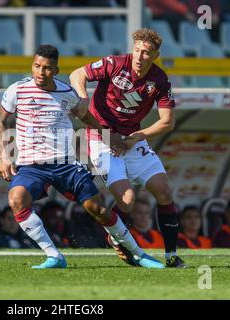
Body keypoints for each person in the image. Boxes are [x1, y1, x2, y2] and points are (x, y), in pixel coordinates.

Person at [0, 44, 164, 269]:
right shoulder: (17, 90)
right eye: (36, 66)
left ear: (55, 70)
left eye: (46, 68)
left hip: (65, 164)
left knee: (99, 210)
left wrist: (110, 137)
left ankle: (138, 253)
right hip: (31, 165)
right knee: (16, 199)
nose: (40, 72)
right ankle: (53, 256)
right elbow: (2, 121)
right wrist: (4, 157)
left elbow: (87, 118)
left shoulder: (67, 94)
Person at [70, 28, 187, 268]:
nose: (139, 56)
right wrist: (83, 97)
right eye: (137, 50)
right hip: (100, 136)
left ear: (155, 55)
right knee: (127, 199)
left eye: (146, 53)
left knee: (164, 192)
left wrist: (138, 137)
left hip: (132, 139)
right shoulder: (114, 63)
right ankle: (116, 236)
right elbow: (76, 73)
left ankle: (171, 256)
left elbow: (168, 121)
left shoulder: (160, 80)